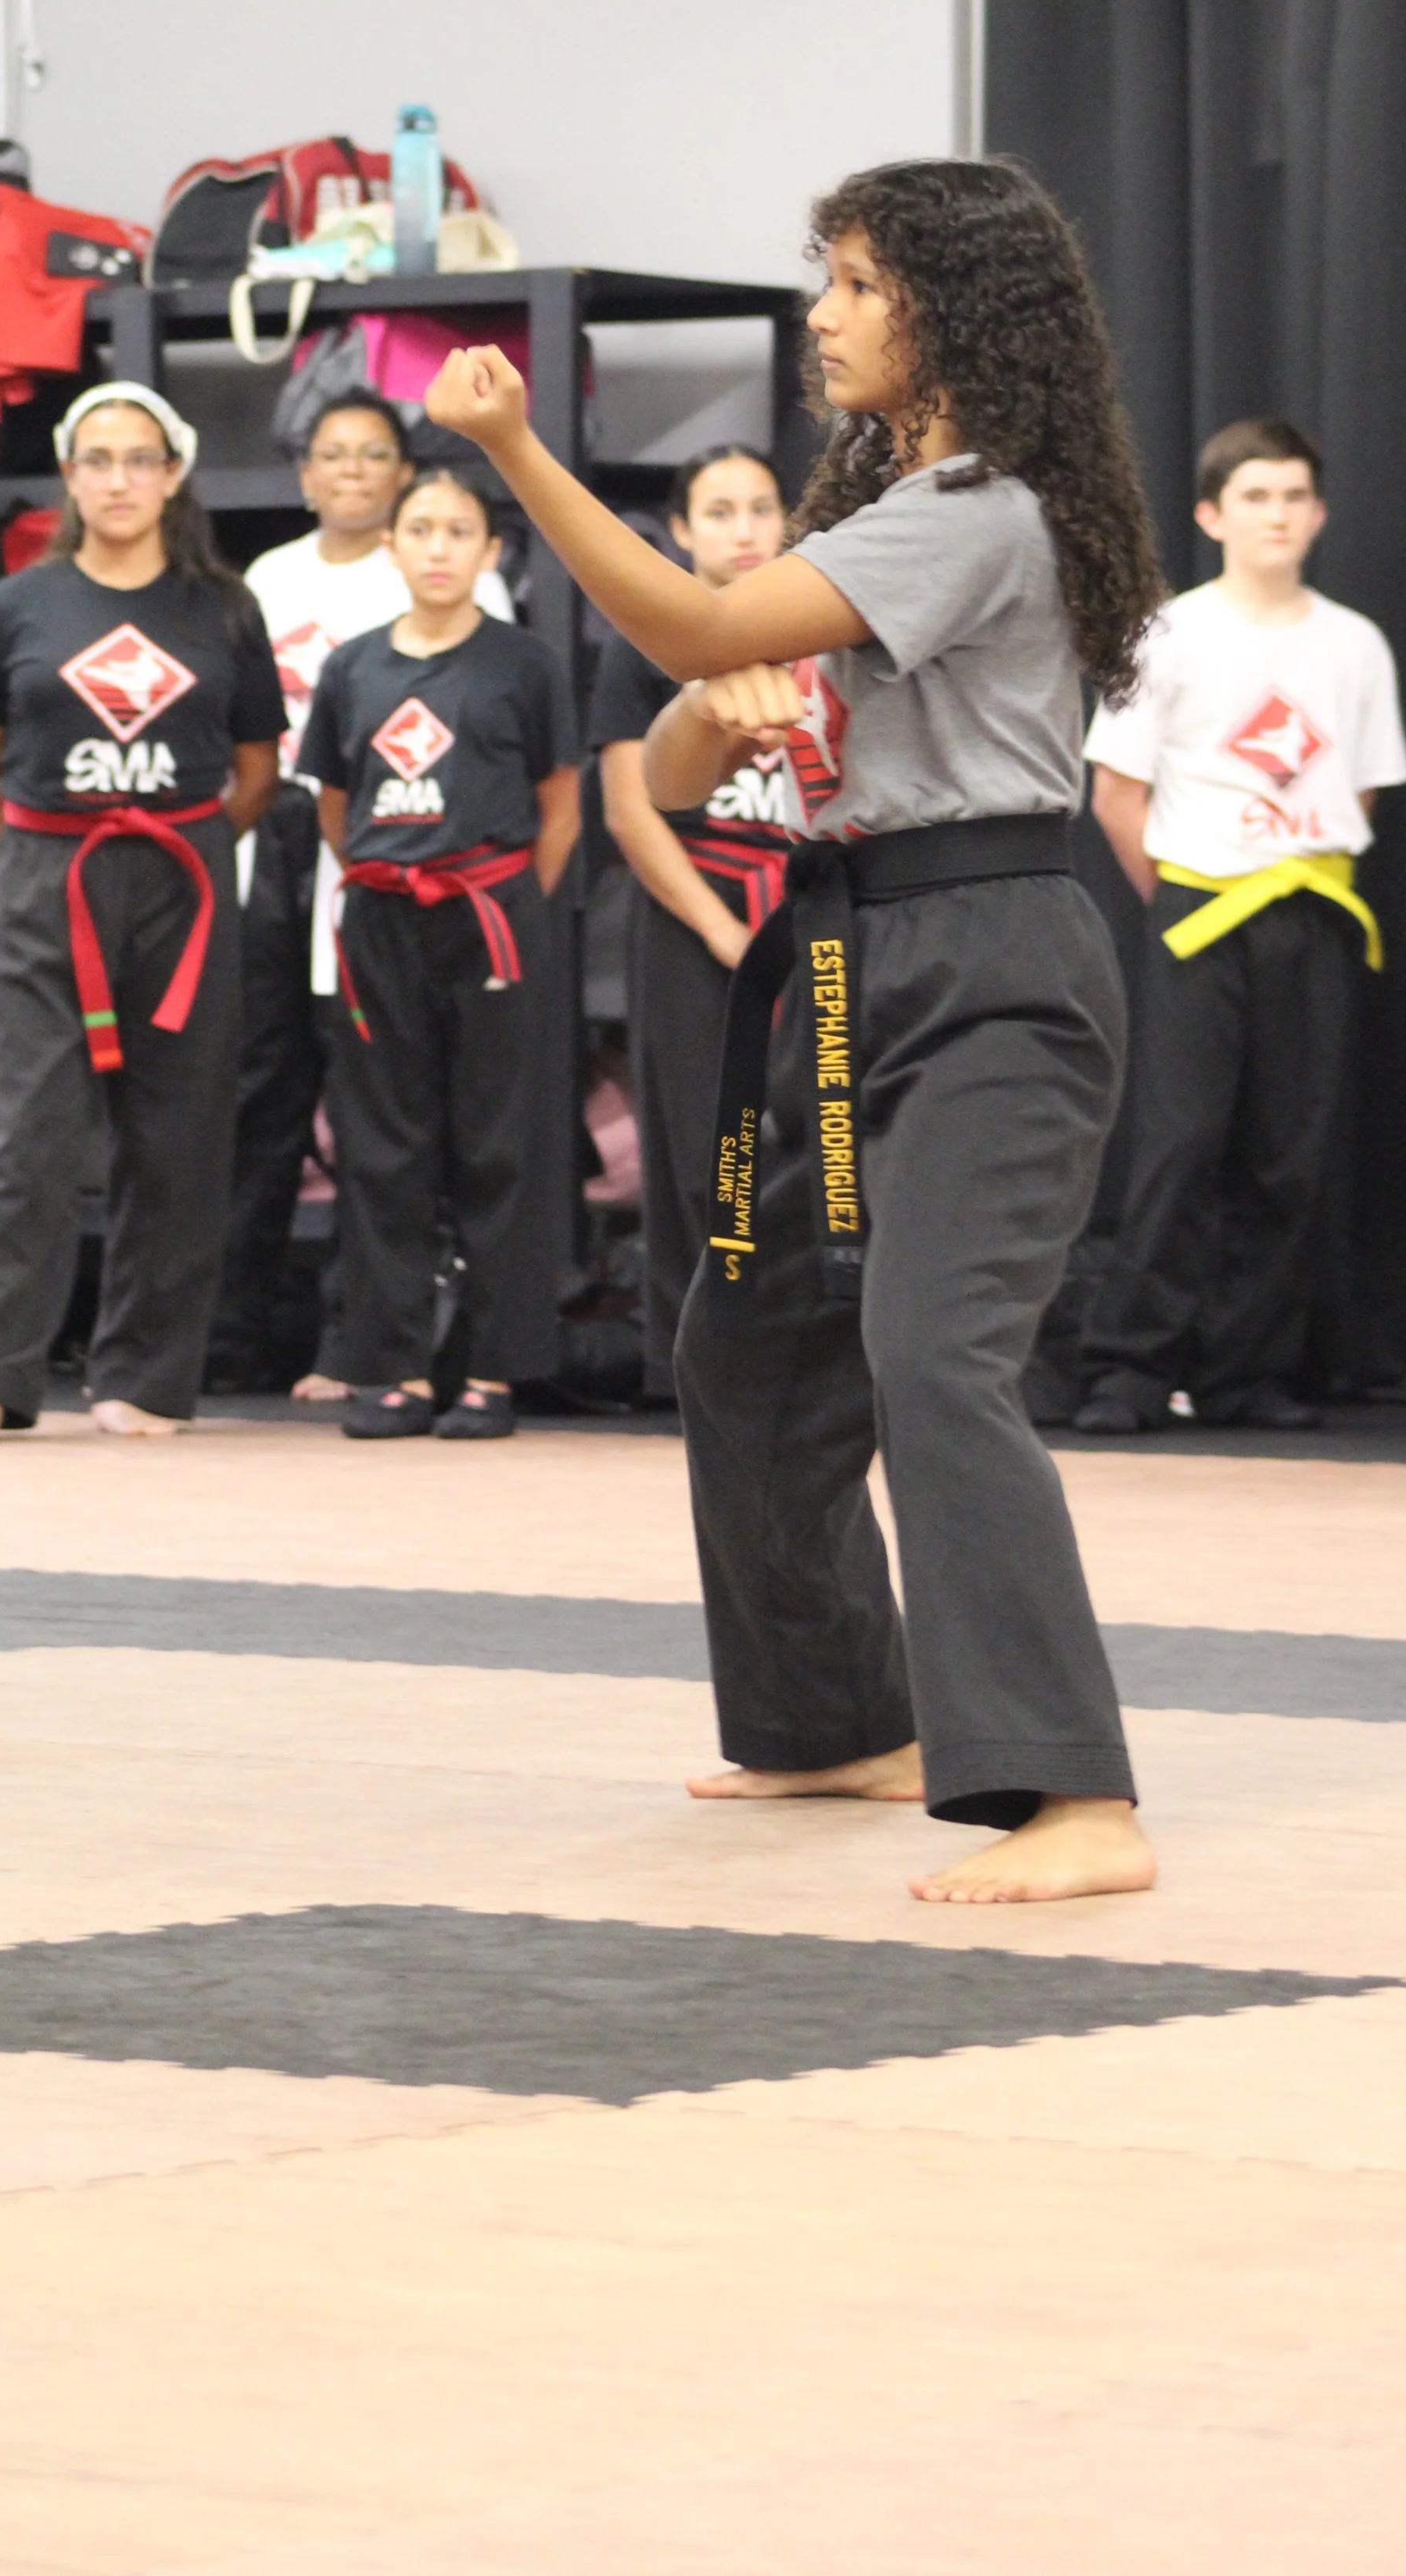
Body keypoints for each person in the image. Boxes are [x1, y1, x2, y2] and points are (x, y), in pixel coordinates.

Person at [428, 154, 1164, 1904]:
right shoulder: (874, 512)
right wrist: (717, 701)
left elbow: (688, 619)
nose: (821, 315)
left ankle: (1078, 1797)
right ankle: (837, 1717)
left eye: (854, 283)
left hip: (992, 963)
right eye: (823, 277)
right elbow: (682, 758)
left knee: (932, 1353)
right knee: (753, 1342)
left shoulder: (979, 509)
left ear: (951, 309)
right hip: (850, 959)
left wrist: (518, 448)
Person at [0, 382, 286, 1446]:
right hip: (46, 873)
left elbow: (257, 766)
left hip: (183, 879)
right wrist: (36, 844)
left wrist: (187, 840)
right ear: (69, 474)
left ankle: (147, 1376)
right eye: (97, 459)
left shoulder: (224, 608)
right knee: (25, 1135)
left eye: (139, 459)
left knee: (178, 1131)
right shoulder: (13, 609)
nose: (118, 479)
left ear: (172, 474)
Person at [1074, 420, 1406, 1436]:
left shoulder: (1353, 644)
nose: (1278, 515)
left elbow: (1360, 788)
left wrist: (1288, 866)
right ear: (1212, 514)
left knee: (1287, 1155)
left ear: (1319, 513)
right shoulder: (1168, 634)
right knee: (1180, 1144)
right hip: (1199, 911)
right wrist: (1183, 894)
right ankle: (1131, 1369)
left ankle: (1245, 1370)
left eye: (1294, 496)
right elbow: (1116, 793)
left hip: (1310, 910)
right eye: (1256, 496)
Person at [300, 464, 581, 1441]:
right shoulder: (353, 669)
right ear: (391, 545)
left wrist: (503, 896)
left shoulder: (524, 665)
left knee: (495, 1143)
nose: (437, 548)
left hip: (491, 911)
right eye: (420, 529)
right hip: (382, 914)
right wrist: (391, 881)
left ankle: (492, 1372)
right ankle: (394, 1368)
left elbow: (559, 806)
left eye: (458, 531)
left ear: (489, 551)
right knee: (384, 1146)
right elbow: (335, 804)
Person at [210, 387, 415, 1395]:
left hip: (382, 837)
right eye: (333, 454)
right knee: (257, 1091)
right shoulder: (268, 577)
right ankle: (228, 1337)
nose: (351, 471)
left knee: (369, 1096)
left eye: (372, 454)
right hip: (273, 836)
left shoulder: (427, 564)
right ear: (304, 474)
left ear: (402, 474)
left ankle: (359, 1338)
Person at [590, 443, 790, 1395]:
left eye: (760, 508)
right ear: (678, 531)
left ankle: (807, 1352)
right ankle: (697, 1369)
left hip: (802, 910)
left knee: (814, 1140)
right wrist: (720, 931)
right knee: (703, 1146)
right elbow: (631, 814)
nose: (743, 530)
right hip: (693, 914)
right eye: (719, 512)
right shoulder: (643, 644)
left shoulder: (819, 631)